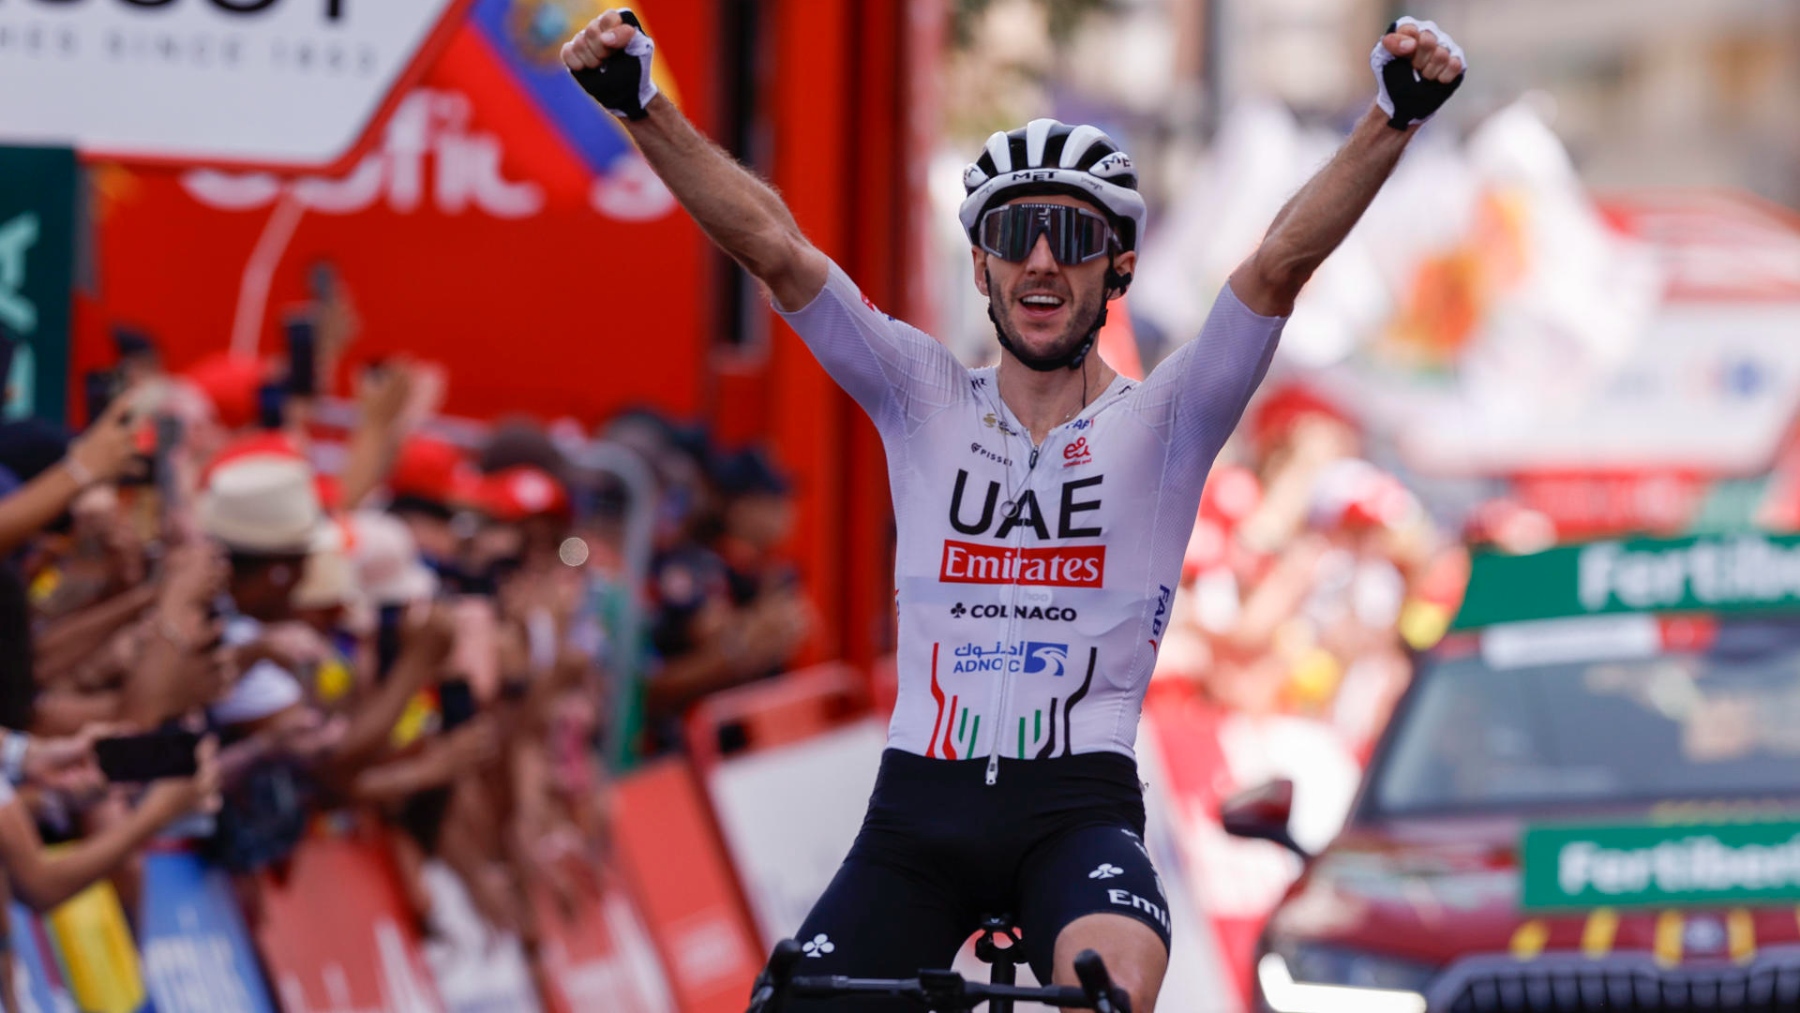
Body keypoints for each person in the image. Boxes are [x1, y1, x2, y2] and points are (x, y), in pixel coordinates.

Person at [563, 10, 1466, 1010]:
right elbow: (777, 250)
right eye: (1013, 235)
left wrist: (1393, 117)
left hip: (1074, 810)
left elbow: (1277, 266)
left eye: (1073, 236)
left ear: (1117, 266)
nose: (1042, 260)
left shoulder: (1167, 420)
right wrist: (642, 106)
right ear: (983, 266)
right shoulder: (920, 393)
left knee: (1114, 984)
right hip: (916, 815)